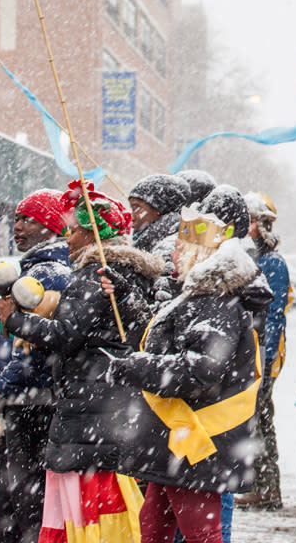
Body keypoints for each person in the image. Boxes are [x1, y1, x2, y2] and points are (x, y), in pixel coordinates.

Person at [0, 181, 158, 542]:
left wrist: (15, 320)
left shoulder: (95, 276)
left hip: (89, 421)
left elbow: (66, 335)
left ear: (93, 235)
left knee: (86, 520)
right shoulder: (132, 275)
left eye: (73, 231)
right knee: (106, 517)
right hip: (112, 417)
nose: (67, 239)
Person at [110, 205, 267, 543]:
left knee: (198, 534)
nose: (173, 253)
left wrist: (138, 367)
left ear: (199, 252)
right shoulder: (195, 297)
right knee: (154, 530)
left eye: (181, 247)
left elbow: (201, 371)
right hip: (179, 441)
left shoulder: (212, 302)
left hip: (195, 442)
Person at [0, 189, 74, 543]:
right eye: (16, 218)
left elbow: (31, 351)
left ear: (52, 226)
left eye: (29, 219)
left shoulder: (46, 275)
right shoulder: (37, 269)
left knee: (21, 510)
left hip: (29, 411)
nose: (18, 226)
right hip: (28, 408)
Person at [235, 191, 291, 511]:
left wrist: (266, 359)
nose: (247, 226)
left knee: (260, 419)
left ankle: (267, 486)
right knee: (254, 419)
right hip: (250, 353)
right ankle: (260, 484)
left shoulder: (273, 263)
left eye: (252, 221)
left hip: (263, 357)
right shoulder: (251, 258)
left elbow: (274, 314)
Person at [129, 173, 190, 261]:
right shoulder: (152, 242)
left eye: (136, 208)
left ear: (158, 208)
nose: (132, 218)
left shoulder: (170, 248)